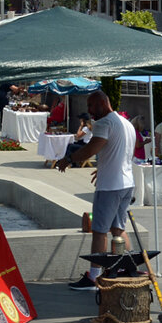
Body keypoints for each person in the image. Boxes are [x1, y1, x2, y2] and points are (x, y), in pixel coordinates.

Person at [56, 90, 136, 290]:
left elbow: (92, 148)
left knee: (100, 231)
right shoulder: (126, 123)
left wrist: (68, 159)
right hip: (126, 183)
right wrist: (105, 168)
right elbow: (122, 150)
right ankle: (127, 267)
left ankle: (94, 277)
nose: (89, 111)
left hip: (110, 186)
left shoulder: (104, 123)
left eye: (91, 106)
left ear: (102, 103)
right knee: (118, 228)